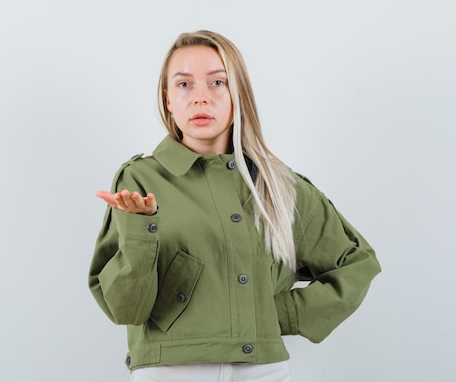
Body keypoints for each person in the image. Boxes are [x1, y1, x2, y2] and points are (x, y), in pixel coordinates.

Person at [88, 30, 381, 382]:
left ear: (237, 93)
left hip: (263, 370)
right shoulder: (140, 180)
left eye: (217, 82)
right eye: (184, 85)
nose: (200, 98)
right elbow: (125, 308)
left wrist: (278, 313)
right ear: (167, 100)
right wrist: (140, 228)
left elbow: (356, 264)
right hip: (169, 370)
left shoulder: (279, 184)